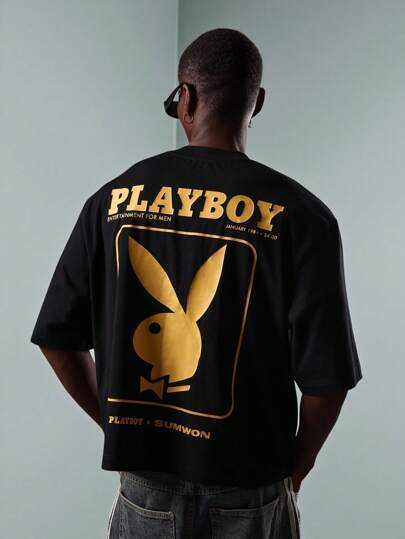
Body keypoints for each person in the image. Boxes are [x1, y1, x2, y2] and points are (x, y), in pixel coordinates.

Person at [30, 28, 363, 539]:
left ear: (184, 98)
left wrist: (117, 423)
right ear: (257, 103)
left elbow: (57, 337)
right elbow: (327, 381)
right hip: (251, 492)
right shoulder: (302, 216)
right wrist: (295, 471)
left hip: (145, 490)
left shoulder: (112, 201)